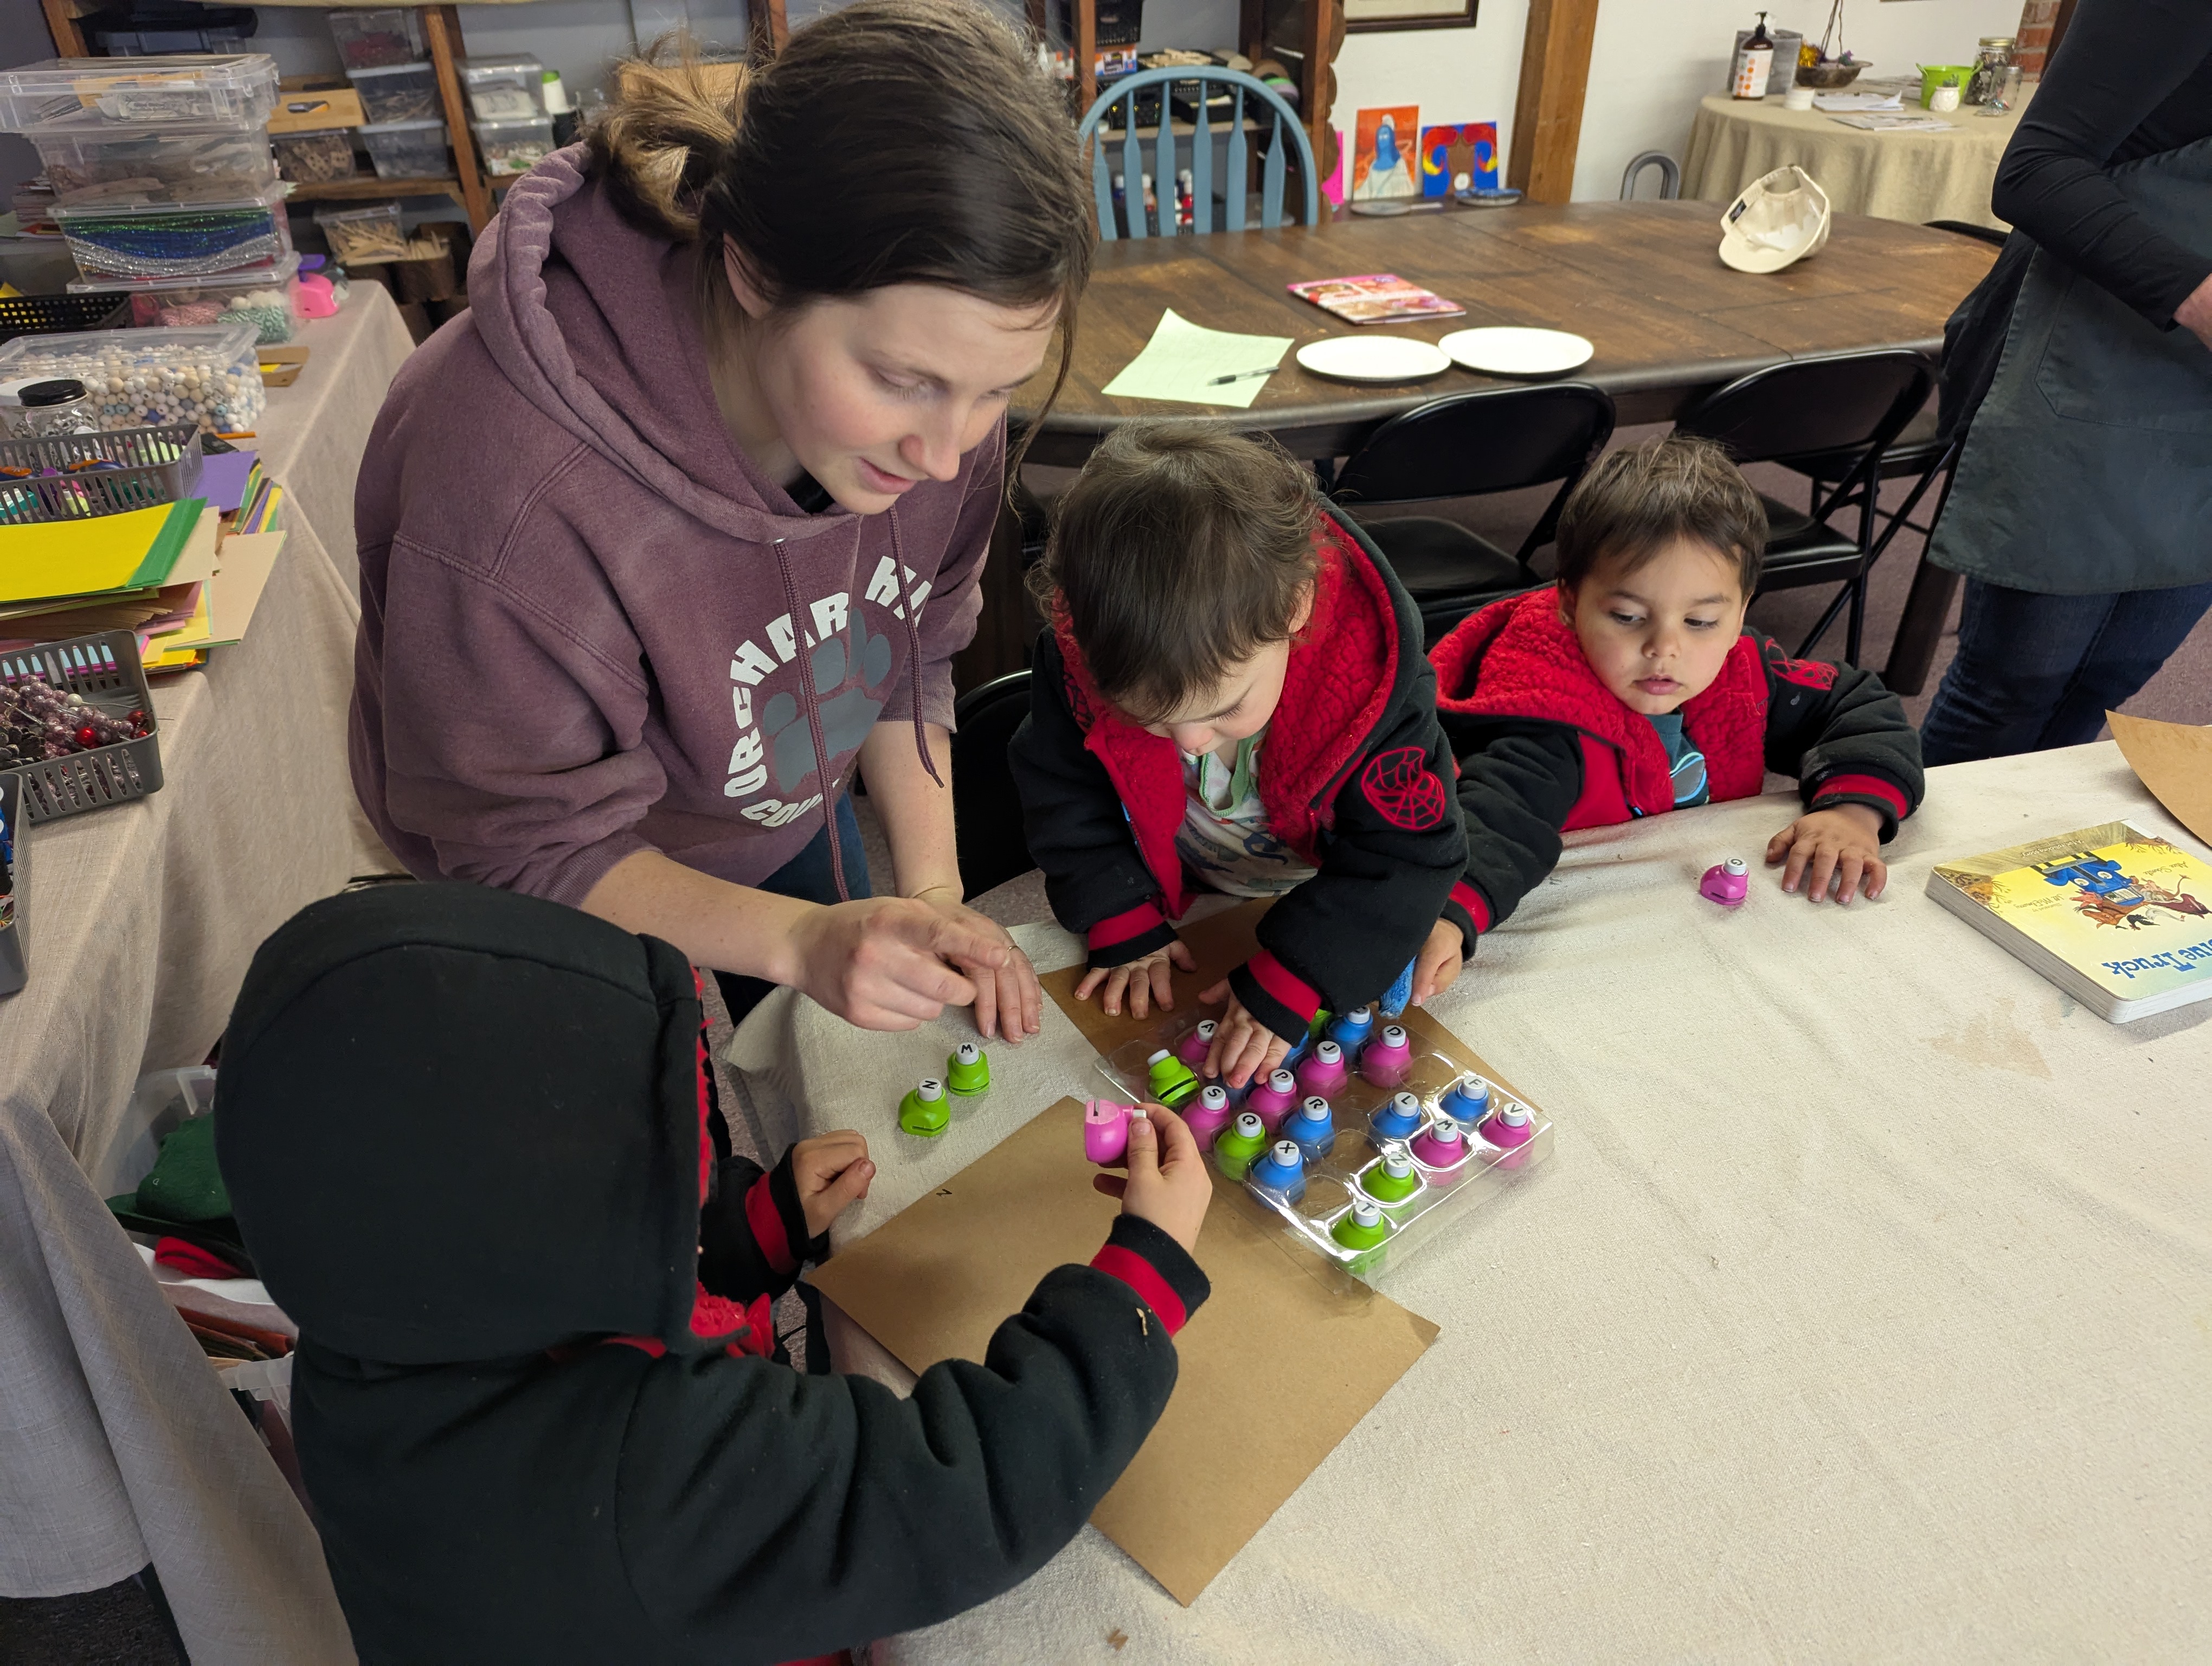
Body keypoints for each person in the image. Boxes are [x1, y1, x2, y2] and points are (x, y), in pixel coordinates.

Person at [215, 883, 1212, 1666]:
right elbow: (960, 1497)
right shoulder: (643, 1472)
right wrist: (1138, 1287)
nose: (707, 1156)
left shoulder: (377, 1324)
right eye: (674, 1171)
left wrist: (747, 1230)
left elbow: (586, 1288)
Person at [350, 1, 1098, 1043]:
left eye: (994, 392)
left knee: (799, 1095)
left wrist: (928, 893)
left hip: (767, 782)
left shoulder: (945, 397)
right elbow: (520, 845)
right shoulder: (504, 478)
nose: (948, 453)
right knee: (655, 1121)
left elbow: (912, 639)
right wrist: (798, 943)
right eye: (900, 380)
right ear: (751, 270)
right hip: (560, 878)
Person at [1008, 421, 1469, 1088]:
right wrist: (1116, 909)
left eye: (1224, 710)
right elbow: (1062, 789)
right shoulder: (1083, 659)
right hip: (1185, 890)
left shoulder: (1373, 685)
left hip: (1325, 896)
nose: (1193, 742)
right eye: (1150, 719)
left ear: (1295, 608)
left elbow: (1407, 853)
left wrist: (1302, 970)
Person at [1428, 437, 1924, 945]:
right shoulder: (1542, 712)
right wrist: (1448, 919)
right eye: (1627, 617)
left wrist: (1851, 814)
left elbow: (1859, 706)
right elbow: (1500, 826)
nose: (1665, 647)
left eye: (1701, 620)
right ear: (1571, 603)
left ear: (1741, 614)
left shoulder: (1745, 671)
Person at [1920, 0, 2212, 764]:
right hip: (2092, 376)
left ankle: (2011, 875)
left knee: (2108, 685)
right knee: (2011, 691)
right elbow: (2033, 172)